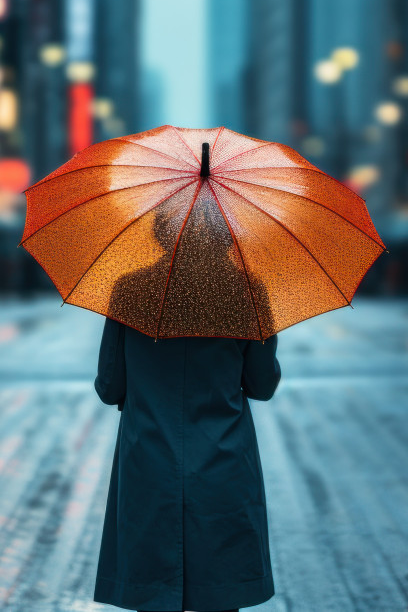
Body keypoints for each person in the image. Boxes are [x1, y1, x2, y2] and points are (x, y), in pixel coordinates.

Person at [93, 205, 281, 612]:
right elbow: (262, 385)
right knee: (221, 590)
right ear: (225, 234)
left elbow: (110, 387)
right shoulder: (247, 290)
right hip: (223, 459)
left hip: (149, 455)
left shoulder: (130, 290)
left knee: (152, 590)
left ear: (162, 232)